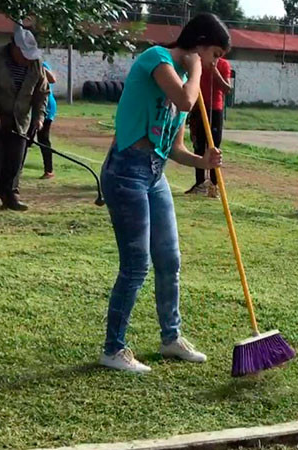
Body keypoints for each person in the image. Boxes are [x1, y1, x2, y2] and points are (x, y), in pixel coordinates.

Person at [99, 13, 227, 373]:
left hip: (154, 174)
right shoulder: (157, 58)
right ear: (198, 43)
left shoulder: (186, 77)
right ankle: (113, 349)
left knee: (169, 259)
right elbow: (185, 101)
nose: (215, 62)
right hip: (125, 172)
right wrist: (197, 68)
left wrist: (202, 159)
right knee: (137, 265)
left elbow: (173, 147)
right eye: (214, 53)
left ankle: (170, 338)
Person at [0, 24, 48, 211]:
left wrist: (39, 117)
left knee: (16, 159)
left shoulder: (36, 64)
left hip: (21, 120)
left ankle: (10, 195)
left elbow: (42, 92)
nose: (26, 59)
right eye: (23, 54)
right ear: (14, 47)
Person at [185, 54, 232, 198]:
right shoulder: (198, 63)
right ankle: (200, 183)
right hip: (198, 108)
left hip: (215, 109)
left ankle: (213, 185)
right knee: (198, 146)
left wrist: (215, 71)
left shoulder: (223, 65)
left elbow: (227, 88)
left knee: (214, 147)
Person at [37, 61, 57, 179]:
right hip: (31, 107)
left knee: (43, 139)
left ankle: (49, 170)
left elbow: (52, 79)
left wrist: (40, 67)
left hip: (46, 106)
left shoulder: (41, 65)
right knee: (24, 139)